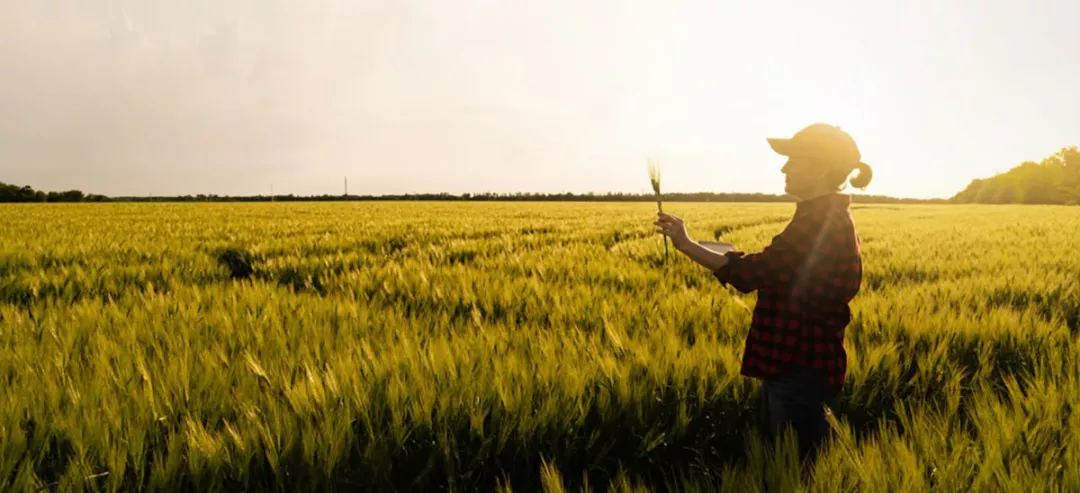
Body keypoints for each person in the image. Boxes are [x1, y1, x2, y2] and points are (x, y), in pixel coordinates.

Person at [653, 123, 871, 469]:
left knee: (793, 470)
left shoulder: (820, 224)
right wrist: (720, 253)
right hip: (797, 367)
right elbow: (775, 267)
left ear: (822, 169)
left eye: (794, 160)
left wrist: (686, 245)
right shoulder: (819, 219)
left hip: (800, 371)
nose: (784, 168)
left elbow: (755, 273)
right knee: (789, 466)